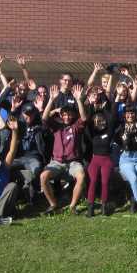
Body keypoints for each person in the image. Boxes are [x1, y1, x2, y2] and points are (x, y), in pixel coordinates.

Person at [40, 84, 88, 214]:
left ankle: (72, 206)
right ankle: (53, 204)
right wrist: (51, 100)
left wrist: (78, 99)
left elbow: (83, 118)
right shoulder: (56, 126)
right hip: (57, 162)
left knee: (81, 176)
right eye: (64, 114)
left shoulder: (76, 126)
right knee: (43, 177)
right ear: (61, 116)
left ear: (72, 115)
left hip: (73, 162)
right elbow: (44, 118)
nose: (67, 117)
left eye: (69, 114)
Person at [85, 102, 118, 217]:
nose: (99, 121)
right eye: (97, 120)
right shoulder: (92, 132)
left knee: (105, 182)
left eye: (101, 120)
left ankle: (104, 206)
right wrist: (94, 109)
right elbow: (87, 121)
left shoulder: (108, 132)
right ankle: (91, 208)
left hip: (106, 160)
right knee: (93, 181)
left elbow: (112, 119)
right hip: (95, 160)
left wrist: (103, 110)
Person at [11, 104, 47, 204]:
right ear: (22, 114)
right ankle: (14, 196)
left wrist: (40, 112)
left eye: (31, 114)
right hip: (20, 157)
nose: (29, 116)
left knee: (36, 169)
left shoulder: (39, 126)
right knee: (5, 168)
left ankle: (33, 196)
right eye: (26, 114)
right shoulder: (20, 125)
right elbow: (8, 123)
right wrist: (13, 111)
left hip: (33, 157)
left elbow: (45, 126)